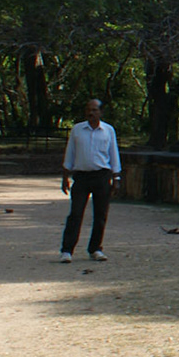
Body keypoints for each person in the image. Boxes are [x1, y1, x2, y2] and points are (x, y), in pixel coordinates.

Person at [60, 98, 121, 263]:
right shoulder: (77, 130)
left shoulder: (108, 131)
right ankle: (67, 250)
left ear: (100, 112)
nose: (90, 113)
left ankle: (95, 248)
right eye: (88, 109)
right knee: (75, 213)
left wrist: (116, 178)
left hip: (101, 176)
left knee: (100, 215)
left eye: (94, 110)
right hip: (81, 176)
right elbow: (70, 152)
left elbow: (113, 154)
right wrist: (65, 176)